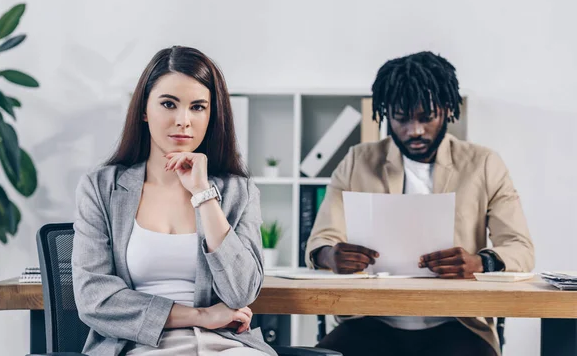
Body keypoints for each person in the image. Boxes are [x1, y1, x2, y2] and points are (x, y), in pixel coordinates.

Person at [305, 51, 534, 356]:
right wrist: (330, 256)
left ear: (448, 110)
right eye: (401, 118)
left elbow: (520, 248)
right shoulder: (358, 160)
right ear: (387, 114)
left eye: (427, 117)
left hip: (456, 323)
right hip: (371, 319)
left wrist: (480, 262)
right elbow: (322, 238)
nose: (415, 130)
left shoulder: (483, 164)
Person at [72, 46, 276, 356]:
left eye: (197, 107)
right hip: (142, 347)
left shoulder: (238, 192)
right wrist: (200, 316)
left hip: (229, 347)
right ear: (144, 109)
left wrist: (204, 195)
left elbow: (242, 292)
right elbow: (95, 300)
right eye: (169, 104)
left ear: (211, 115)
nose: (183, 120)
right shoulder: (101, 188)